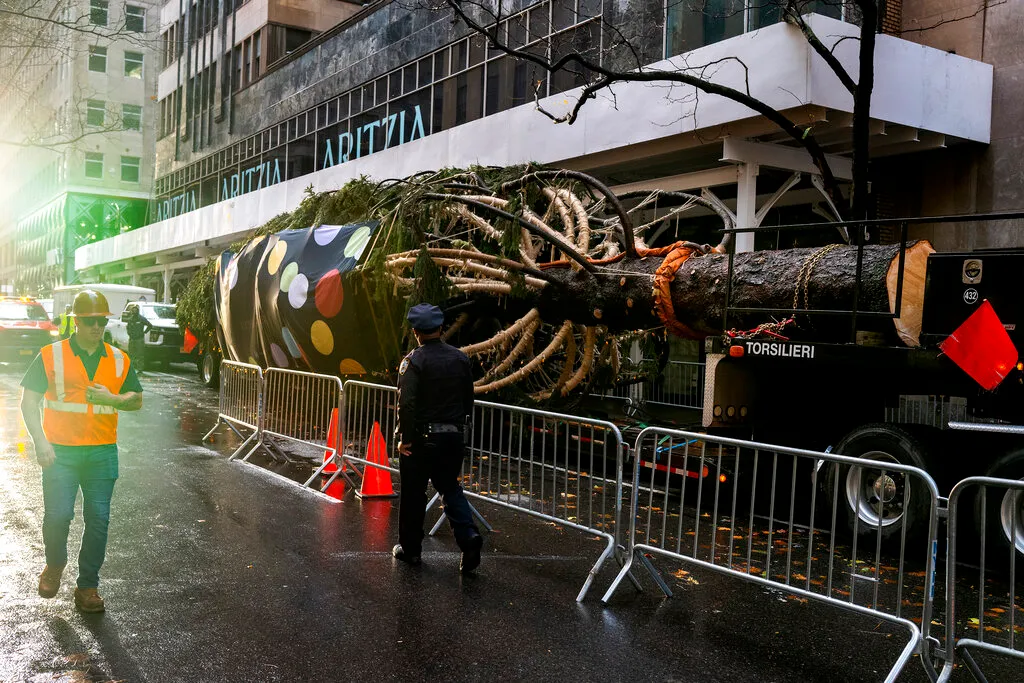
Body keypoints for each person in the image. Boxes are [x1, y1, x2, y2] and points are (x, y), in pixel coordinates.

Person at [20, 289, 143, 613]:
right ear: (76, 322)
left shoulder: (118, 359)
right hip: (60, 453)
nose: (96, 326)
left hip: (102, 452)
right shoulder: (51, 355)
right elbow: (29, 402)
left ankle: (88, 586)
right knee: (58, 516)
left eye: (101, 321)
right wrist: (40, 441)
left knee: (98, 520)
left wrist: (112, 399)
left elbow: (136, 399)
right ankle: (54, 565)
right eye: (89, 321)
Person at [393, 303, 483, 573]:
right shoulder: (460, 358)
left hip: (421, 439)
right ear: (441, 328)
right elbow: (468, 398)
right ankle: (469, 537)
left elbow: (406, 404)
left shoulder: (413, 361)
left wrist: (405, 437)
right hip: (453, 436)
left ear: (415, 332)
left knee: (413, 493)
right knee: (450, 488)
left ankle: (411, 550)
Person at [125, 305, 152, 374]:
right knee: (131, 354)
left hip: (139, 339)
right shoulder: (130, 319)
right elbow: (127, 327)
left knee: (140, 355)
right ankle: (131, 369)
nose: (134, 311)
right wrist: (129, 333)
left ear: (138, 310)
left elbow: (150, 325)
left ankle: (140, 369)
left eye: (135, 310)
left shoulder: (141, 319)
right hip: (132, 339)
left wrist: (144, 332)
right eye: (133, 310)